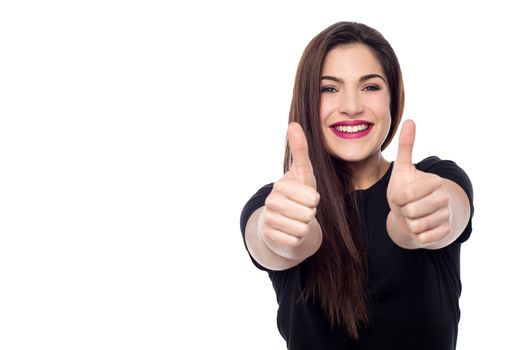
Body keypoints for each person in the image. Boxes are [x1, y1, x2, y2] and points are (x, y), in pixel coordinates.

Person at [239, 21, 474, 350]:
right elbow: (270, 240)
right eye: (329, 89)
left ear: (393, 98)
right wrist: (278, 232)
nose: (351, 105)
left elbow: (450, 209)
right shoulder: (280, 202)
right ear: (308, 100)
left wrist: (424, 217)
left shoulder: (435, 178)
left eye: (370, 87)